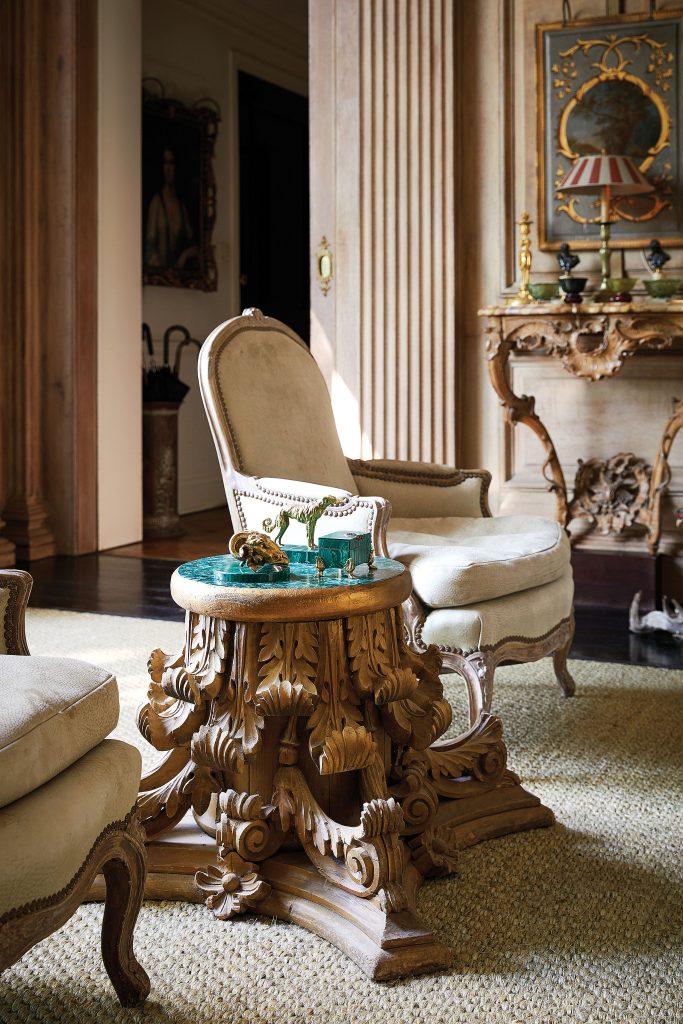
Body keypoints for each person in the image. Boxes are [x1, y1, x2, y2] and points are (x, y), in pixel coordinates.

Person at [144, 147, 198, 269]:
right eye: (165, 163)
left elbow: (194, 246)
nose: (168, 169)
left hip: (178, 279)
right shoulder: (156, 203)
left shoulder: (182, 206)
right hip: (159, 277)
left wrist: (184, 256)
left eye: (171, 163)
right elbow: (149, 251)